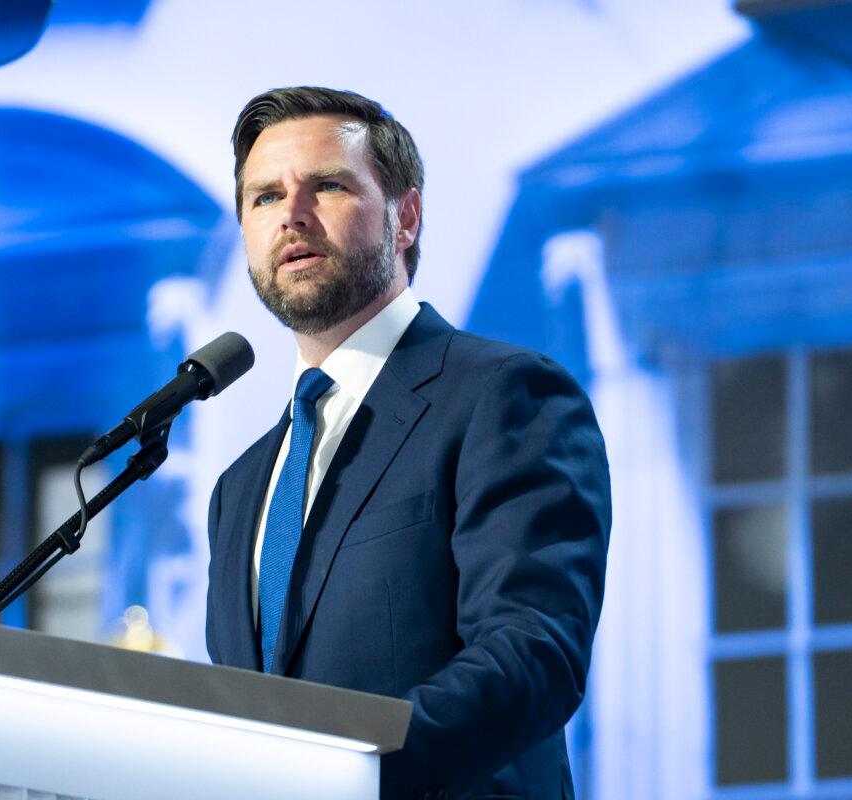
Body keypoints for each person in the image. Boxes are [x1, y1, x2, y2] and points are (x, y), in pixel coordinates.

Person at [204, 86, 611, 800]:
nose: (292, 215)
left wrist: (344, 776)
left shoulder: (503, 395)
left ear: (406, 218)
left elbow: (531, 654)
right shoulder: (240, 490)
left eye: (326, 186)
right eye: (264, 197)